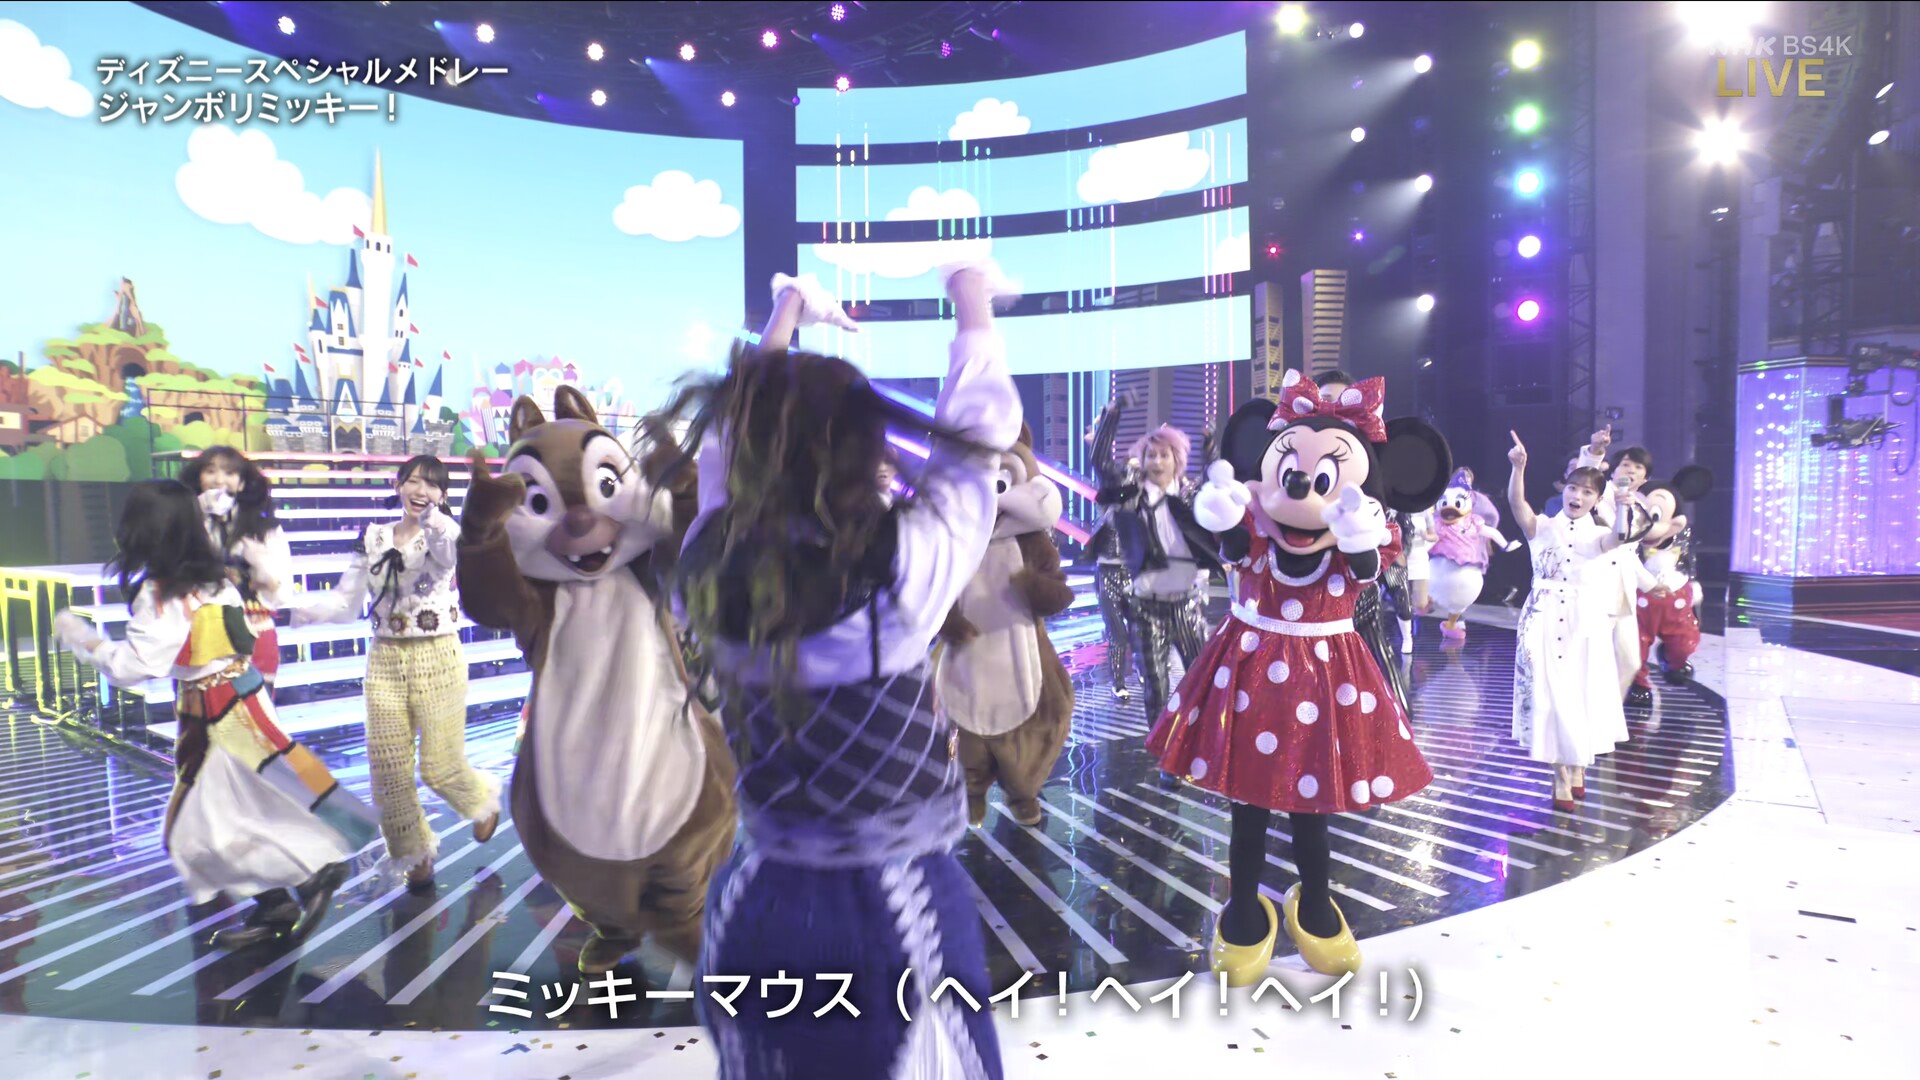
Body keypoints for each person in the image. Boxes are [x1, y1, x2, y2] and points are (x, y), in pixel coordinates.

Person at [663, 266, 1012, 1078]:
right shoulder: (903, 569)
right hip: (895, 910)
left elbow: (722, 449)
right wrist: (970, 294)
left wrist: (786, 310)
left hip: (756, 896)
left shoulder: (708, 563)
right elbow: (977, 441)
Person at [1147, 372, 1453, 984]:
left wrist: (1357, 534)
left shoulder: (1363, 538)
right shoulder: (1255, 531)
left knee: (1313, 808)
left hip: (1326, 679)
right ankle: (1243, 907)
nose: (1302, 488)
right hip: (1250, 672)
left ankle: (1314, 902)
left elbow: (1364, 565)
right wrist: (1224, 515)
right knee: (1248, 806)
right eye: (1291, 471)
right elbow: (1232, 539)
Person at [55, 480, 373, 950]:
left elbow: (133, 667)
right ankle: (283, 898)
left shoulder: (163, 593)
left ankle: (305, 880)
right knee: (245, 811)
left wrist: (84, 640)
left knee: (192, 832)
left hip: (217, 717)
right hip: (241, 702)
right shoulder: (215, 578)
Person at [294, 454, 501, 891]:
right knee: (387, 769)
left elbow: (448, 553)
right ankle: (414, 852)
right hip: (384, 659)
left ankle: (481, 801)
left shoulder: (445, 532)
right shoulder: (373, 536)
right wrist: (306, 611)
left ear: (443, 494)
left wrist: (432, 518)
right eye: (413, 481)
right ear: (398, 484)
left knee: (438, 767)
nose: (420, 490)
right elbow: (347, 601)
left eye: (431, 484)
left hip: (437, 656)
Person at [1505, 432, 1634, 811]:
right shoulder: (1543, 526)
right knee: (1551, 697)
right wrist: (1518, 468)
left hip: (1584, 622)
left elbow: (1620, 536)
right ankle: (1560, 774)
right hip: (1542, 618)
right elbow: (1516, 503)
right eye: (1573, 488)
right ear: (1565, 489)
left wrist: (1623, 506)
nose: (1577, 496)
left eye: (1587, 492)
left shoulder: (1600, 534)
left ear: (1596, 499)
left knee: (1579, 695)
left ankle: (1577, 764)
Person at [1099, 423, 1222, 726]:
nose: (1156, 462)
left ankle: (1197, 744)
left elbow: (1214, 484)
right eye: (1150, 455)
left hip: (1186, 605)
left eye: (1163, 455)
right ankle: (1161, 750)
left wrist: (1210, 449)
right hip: (1146, 607)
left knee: (1201, 682)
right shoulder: (1131, 499)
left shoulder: (1189, 496)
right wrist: (1111, 419)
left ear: (1176, 459)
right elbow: (1101, 463)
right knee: (1155, 690)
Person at [181, 446, 293, 695]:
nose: (218, 480)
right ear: (198, 478)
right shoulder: (185, 523)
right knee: (201, 710)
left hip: (252, 629)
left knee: (255, 711)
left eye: (229, 473)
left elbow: (281, 591)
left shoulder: (265, 528)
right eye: (210, 471)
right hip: (201, 630)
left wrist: (257, 560)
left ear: (242, 483)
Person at [1575, 426, 1657, 705]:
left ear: (1645, 478)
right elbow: (1586, 476)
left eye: (1637, 467)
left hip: (1623, 594)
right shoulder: (1603, 493)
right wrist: (1596, 450)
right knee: (1589, 659)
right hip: (1593, 589)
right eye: (1625, 464)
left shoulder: (1640, 509)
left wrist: (1650, 584)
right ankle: (1590, 713)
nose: (1630, 469)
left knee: (1630, 661)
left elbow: (1628, 554)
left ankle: (1607, 712)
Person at [1075, 391, 1140, 700]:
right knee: (1117, 633)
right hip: (1108, 571)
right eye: (1131, 467)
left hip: (1135, 573)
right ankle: (1119, 683)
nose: (1134, 471)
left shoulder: (1149, 496)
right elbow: (1100, 460)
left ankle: (1143, 670)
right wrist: (1113, 414)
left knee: (1141, 629)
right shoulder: (1116, 487)